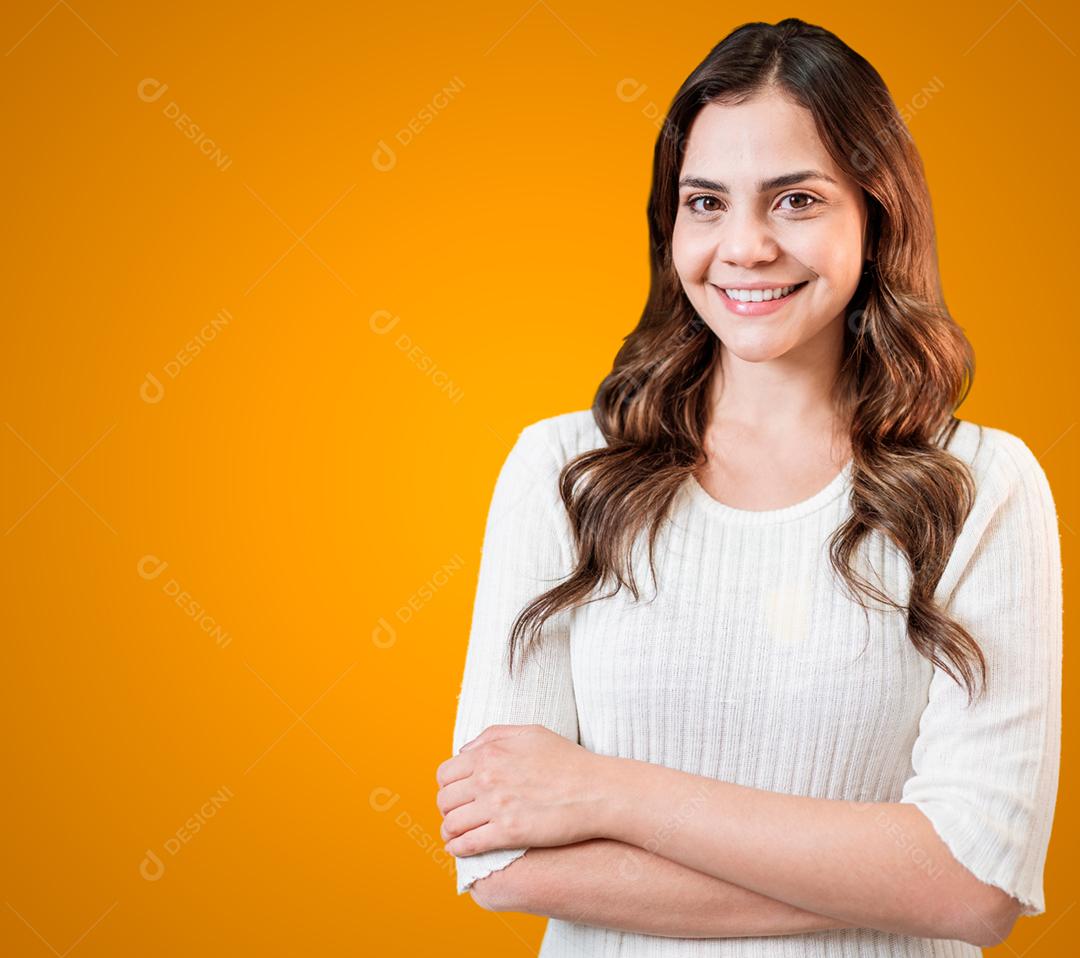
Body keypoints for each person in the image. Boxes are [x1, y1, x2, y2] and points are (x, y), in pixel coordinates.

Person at [435, 17, 1063, 957]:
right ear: (671, 222)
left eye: (797, 200)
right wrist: (899, 879)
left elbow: (977, 889)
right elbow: (501, 859)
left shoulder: (982, 486)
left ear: (876, 211)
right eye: (705, 201)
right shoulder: (562, 471)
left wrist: (605, 791)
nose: (746, 246)